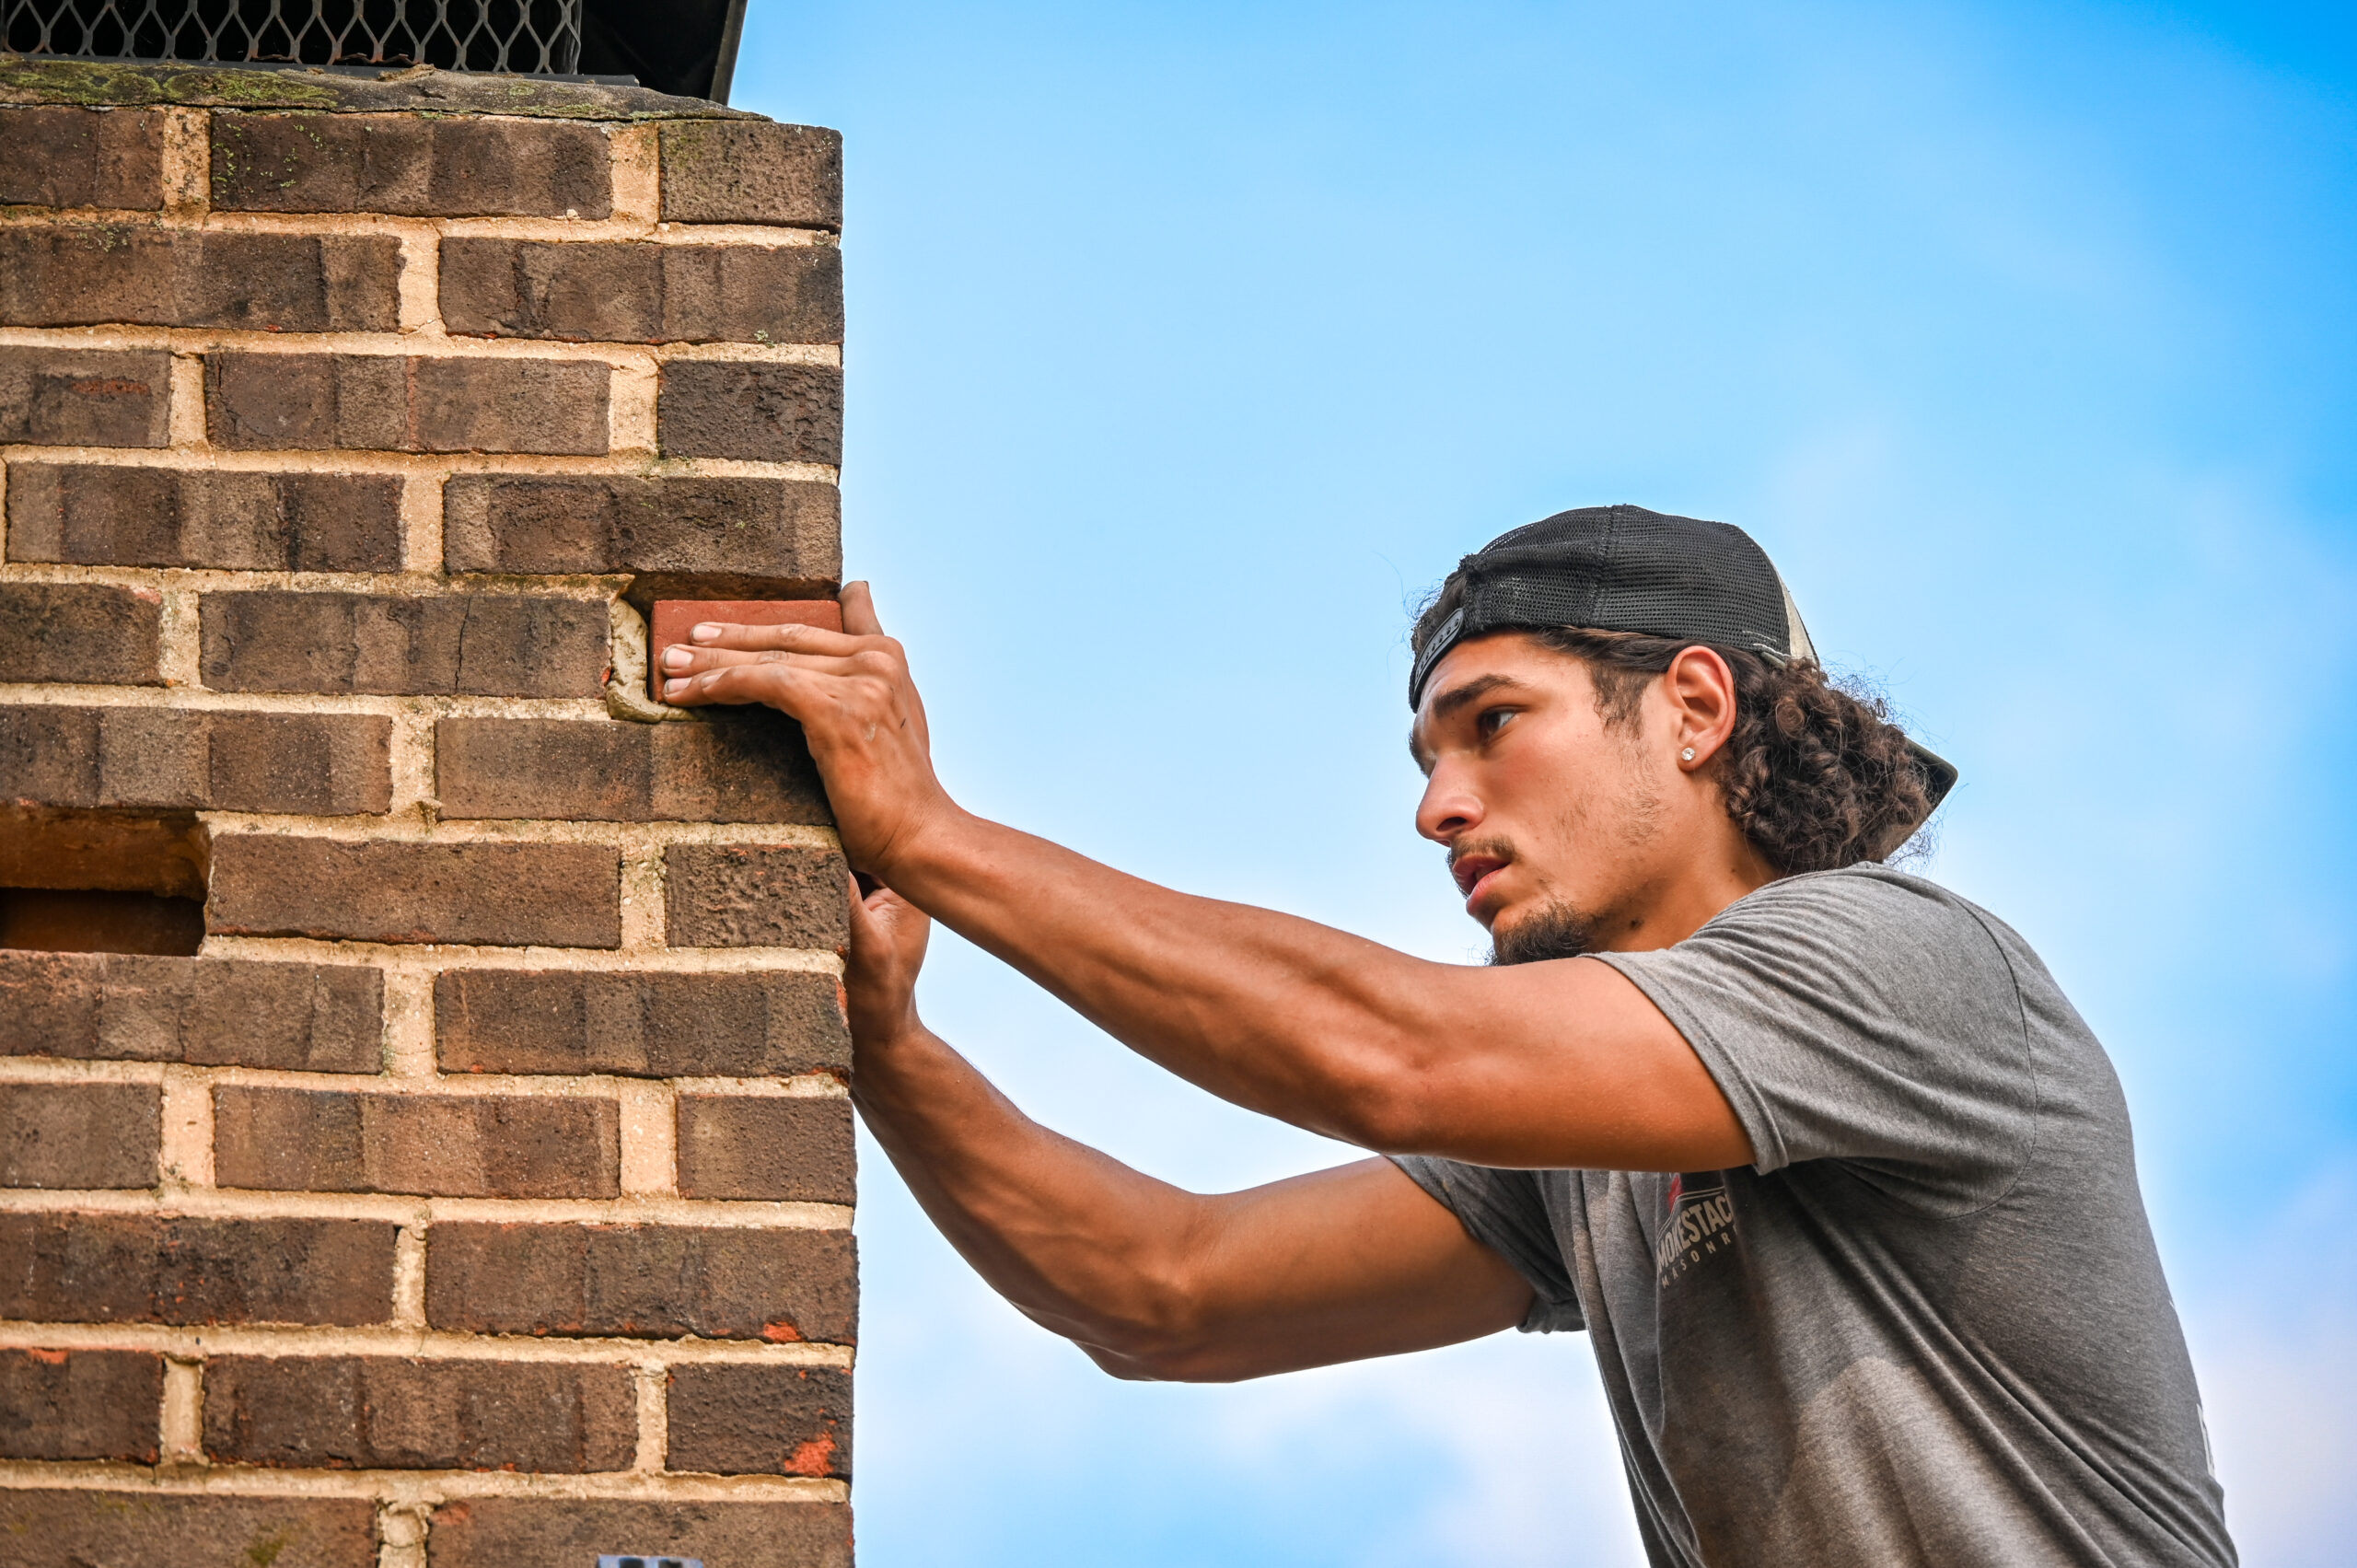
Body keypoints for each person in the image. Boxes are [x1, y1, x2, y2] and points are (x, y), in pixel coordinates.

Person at [660, 505, 2235, 1568]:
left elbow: (1391, 1051)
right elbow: (1167, 1294)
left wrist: (931, 836)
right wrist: (883, 1043)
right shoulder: (1589, 1152)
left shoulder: (1901, 967)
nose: (1439, 807)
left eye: (1494, 724)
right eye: (1428, 753)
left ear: (1695, 708)